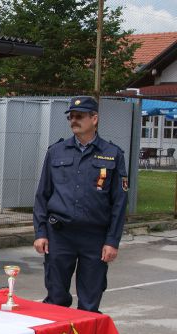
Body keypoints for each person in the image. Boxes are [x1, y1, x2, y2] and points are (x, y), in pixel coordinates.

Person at [33, 96, 128, 312]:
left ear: (94, 119)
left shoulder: (113, 154)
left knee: (89, 301)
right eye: (71, 117)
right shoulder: (56, 151)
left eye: (80, 116)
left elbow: (119, 202)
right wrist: (40, 232)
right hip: (60, 235)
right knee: (56, 298)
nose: (74, 120)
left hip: (94, 237)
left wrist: (112, 241)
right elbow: (42, 195)